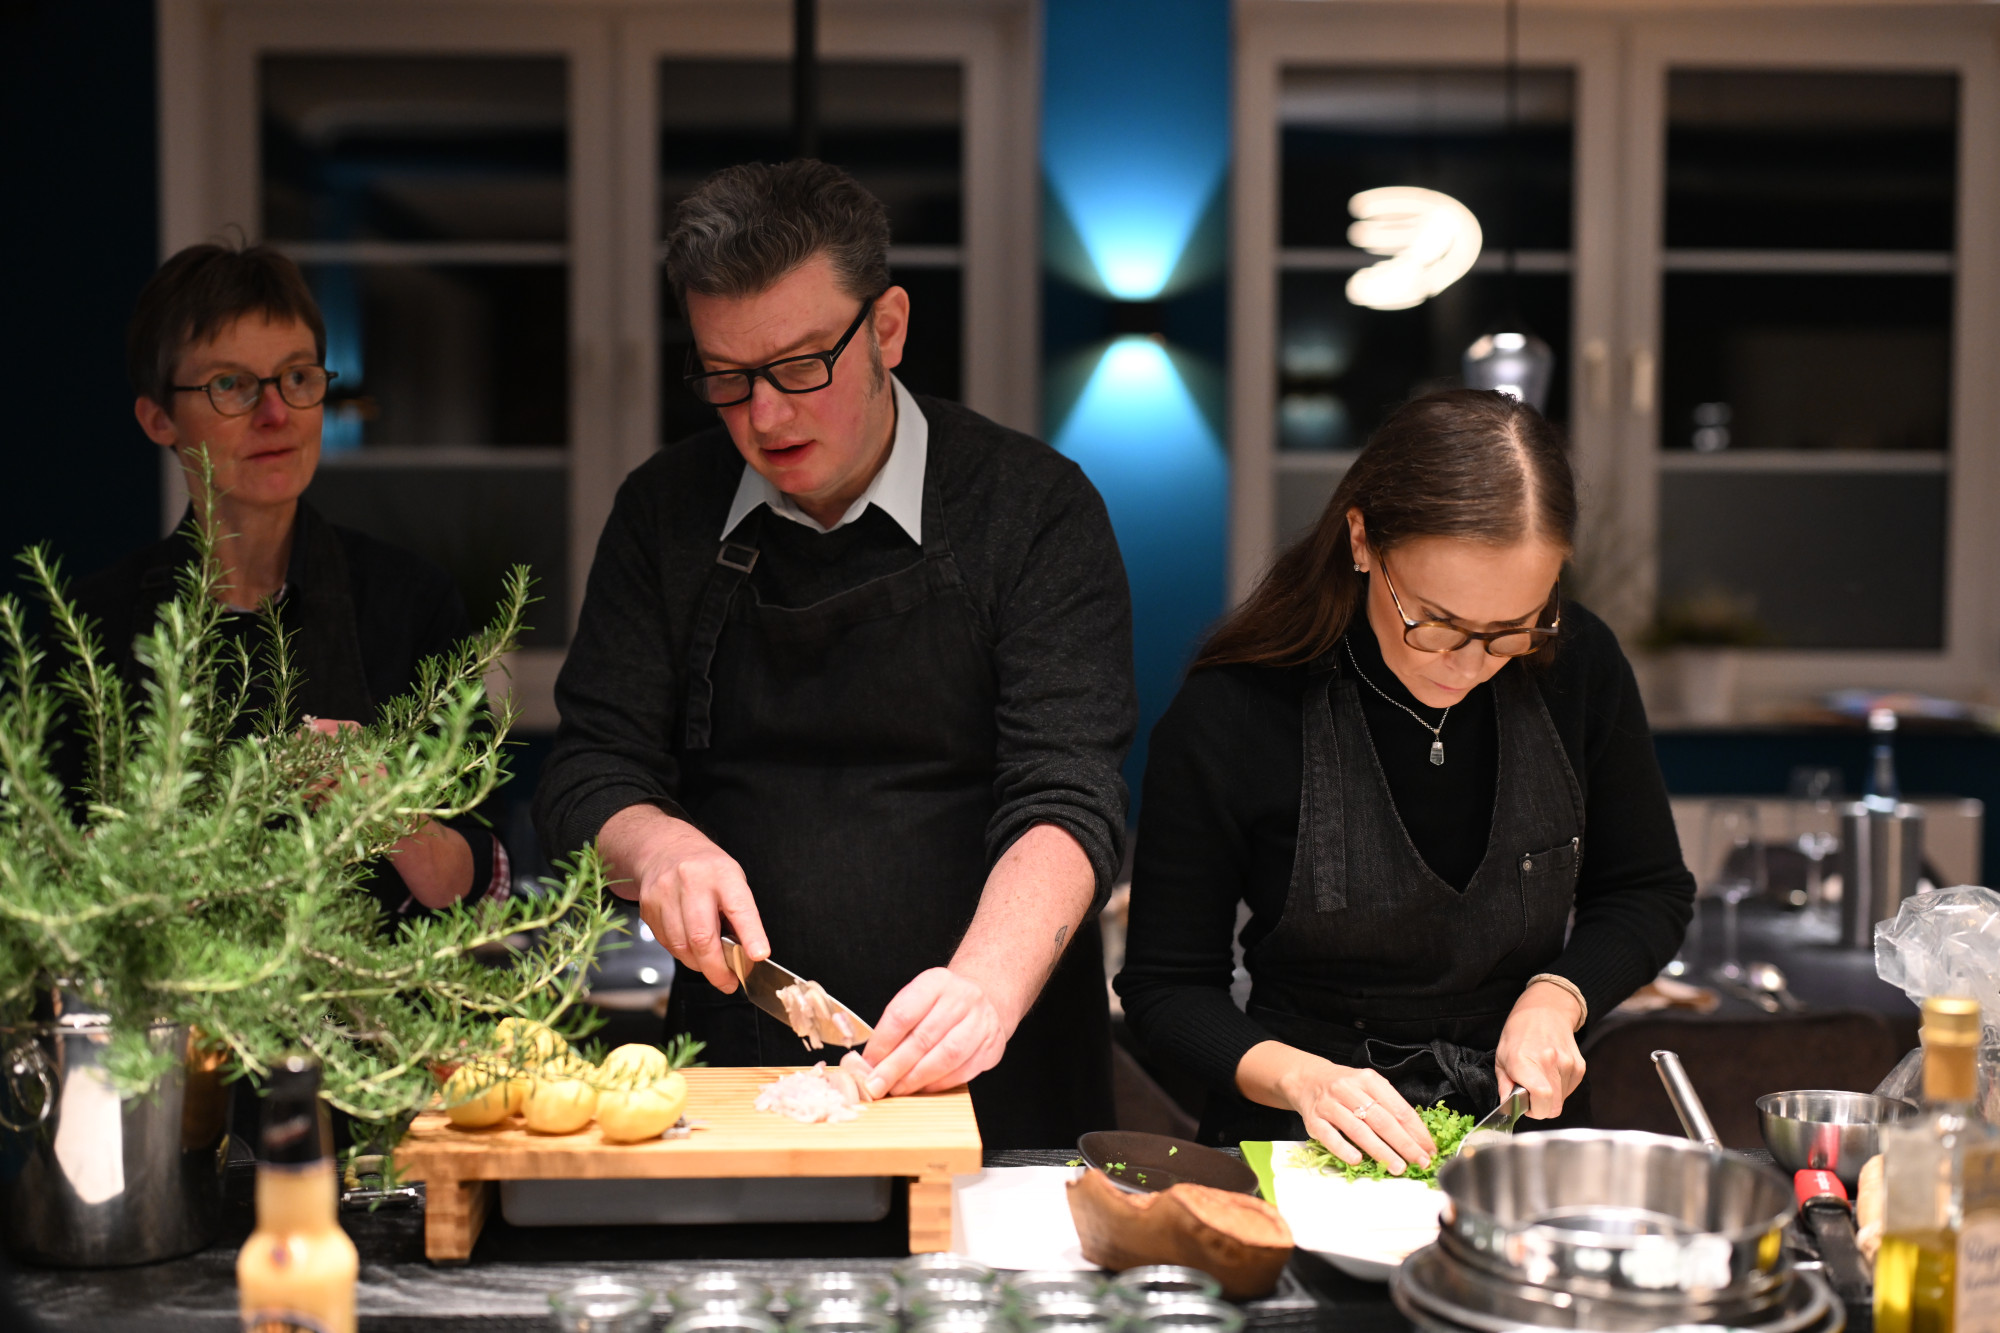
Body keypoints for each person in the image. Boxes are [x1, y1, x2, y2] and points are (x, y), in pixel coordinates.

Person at [534, 160, 1135, 1148]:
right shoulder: (663, 512)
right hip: (736, 1066)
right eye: (725, 378)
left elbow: (1068, 790)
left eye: (799, 365)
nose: (764, 416)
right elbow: (589, 772)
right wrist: (656, 845)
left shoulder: (1033, 509)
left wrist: (980, 988)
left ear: (886, 328)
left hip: (998, 1068)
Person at [1115, 390, 1694, 1172]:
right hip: (1301, 1140)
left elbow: (1648, 889)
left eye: (1512, 631)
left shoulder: (1579, 668)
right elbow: (1165, 990)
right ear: (1361, 541)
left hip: (1519, 1147)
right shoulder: (1236, 711)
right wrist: (1304, 1080)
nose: (1470, 664)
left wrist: (1559, 995)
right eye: (1438, 622)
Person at [69, 241, 509, 920]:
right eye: (230, 385)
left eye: (297, 377)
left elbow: (478, 876)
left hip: (379, 1015)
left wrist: (388, 811)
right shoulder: (94, 627)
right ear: (159, 418)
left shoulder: (411, 602)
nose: (275, 414)